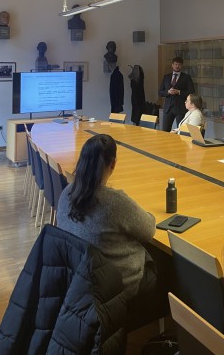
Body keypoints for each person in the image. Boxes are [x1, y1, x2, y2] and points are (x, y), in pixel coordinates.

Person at [57, 134, 156, 299]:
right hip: (113, 288)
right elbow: (149, 231)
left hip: (77, 279)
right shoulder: (114, 201)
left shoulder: (67, 192)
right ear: (113, 164)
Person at [158, 56, 195, 132]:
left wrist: (179, 92)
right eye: (176, 64)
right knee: (165, 131)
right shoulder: (166, 77)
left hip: (181, 108)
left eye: (179, 64)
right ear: (172, 65)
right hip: (168, 108)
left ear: (182, 66)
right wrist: (168, 92)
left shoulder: (187, 77)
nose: (177, 66)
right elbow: (160, 92)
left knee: (181, 131)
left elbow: (192, 92)